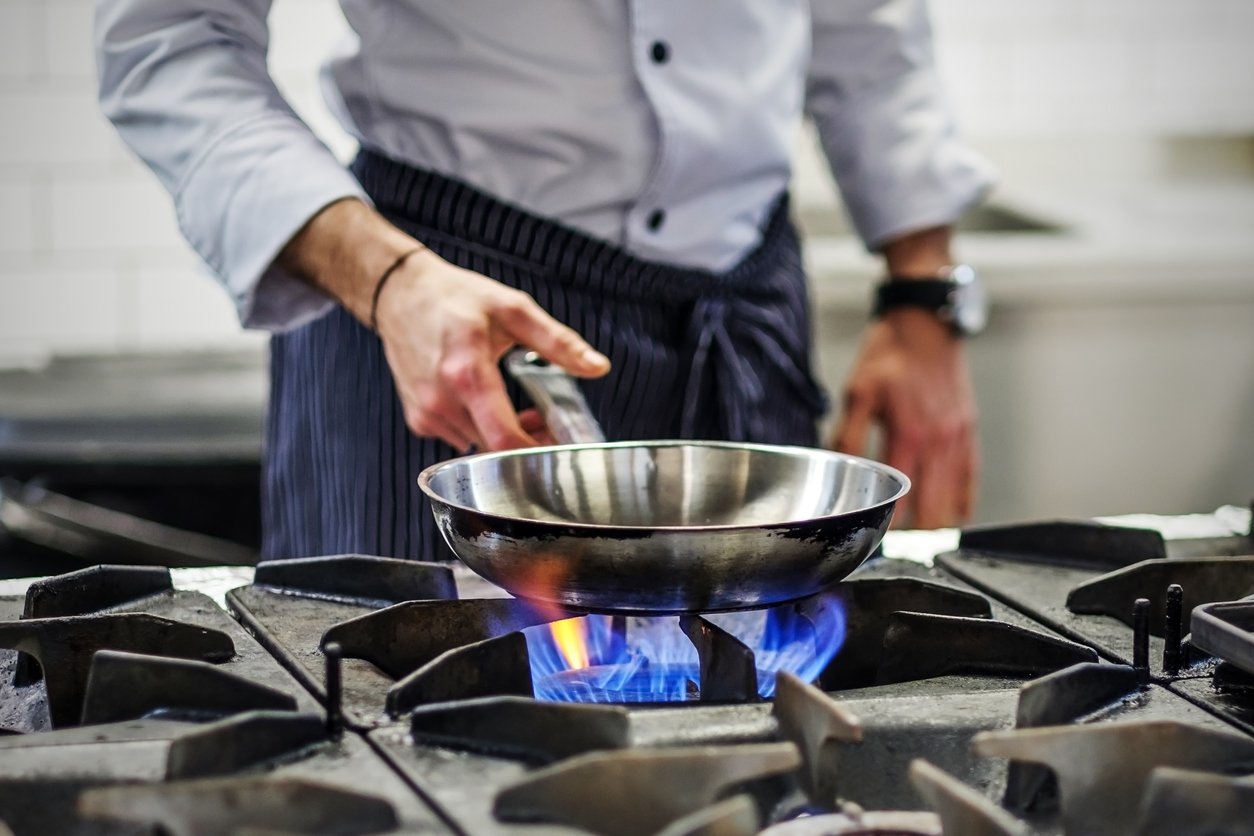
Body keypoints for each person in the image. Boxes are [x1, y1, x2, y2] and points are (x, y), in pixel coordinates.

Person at [96, 1, 994, 562]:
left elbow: (869, 25)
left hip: (739, 315)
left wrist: (923, 294)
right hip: (434, 310)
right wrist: (387, 277)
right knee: (399, 735)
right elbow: (171, 39)